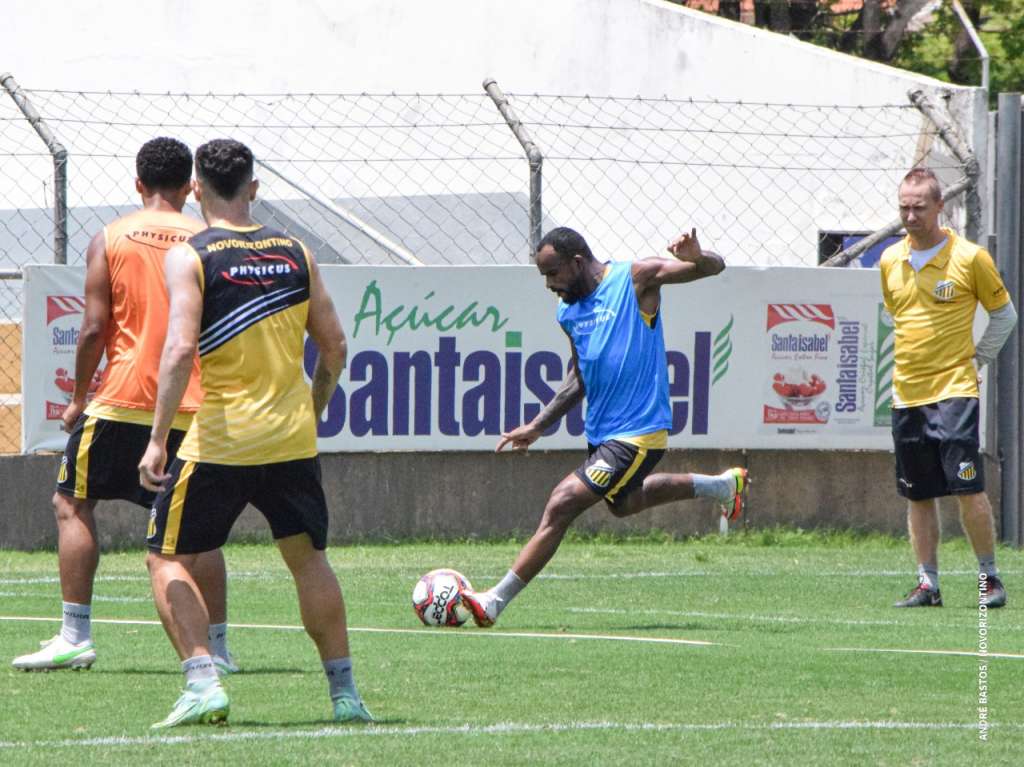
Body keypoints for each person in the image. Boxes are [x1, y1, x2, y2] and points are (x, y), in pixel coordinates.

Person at [138, 138, 371, 729]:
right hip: (292, 439)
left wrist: (158, 438)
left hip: (223, 438)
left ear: (195, 190)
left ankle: (201, 679)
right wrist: (311, 408)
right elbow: (336, 346)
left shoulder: (191, 255)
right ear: (255, 189)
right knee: (308, 560)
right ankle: (344, 695)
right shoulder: (297, 251)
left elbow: (180, 348)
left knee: (164, 556)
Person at [12, 138, 236, 673]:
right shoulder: (213, 240)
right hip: (195, 404)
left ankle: (74, 635)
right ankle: (220, 649)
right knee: (197, 531)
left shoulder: (110, 238)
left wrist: (76, 399)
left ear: (138, 184)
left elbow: (93, 328)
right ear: (190, 187)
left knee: (72, 503)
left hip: (123, 401)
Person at [461, 226, 748, 627]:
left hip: (639, 432)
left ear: (576, 263)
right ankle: (721, 486)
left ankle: (494, 600)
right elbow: (580, 376)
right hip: (602, 434)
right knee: (624, 504)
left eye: (553, 274)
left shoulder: (635, 279)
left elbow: (710, 269)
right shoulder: (568, 312)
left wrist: (697, 256)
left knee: (562, 504)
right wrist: (538, 425)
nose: (549, 285)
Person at [880, 167, 1016, 609]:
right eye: (904, 206)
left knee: (966, 488)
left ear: (941, 207)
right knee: (918, 494)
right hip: (907, 394)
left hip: (955, 391)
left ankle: (989, 579)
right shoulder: (890, 261)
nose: (911, 215)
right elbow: (897, 318)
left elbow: (1005, 316)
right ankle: (928, 584)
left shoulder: (970, 258)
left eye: (920, 206)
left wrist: (976, 360)